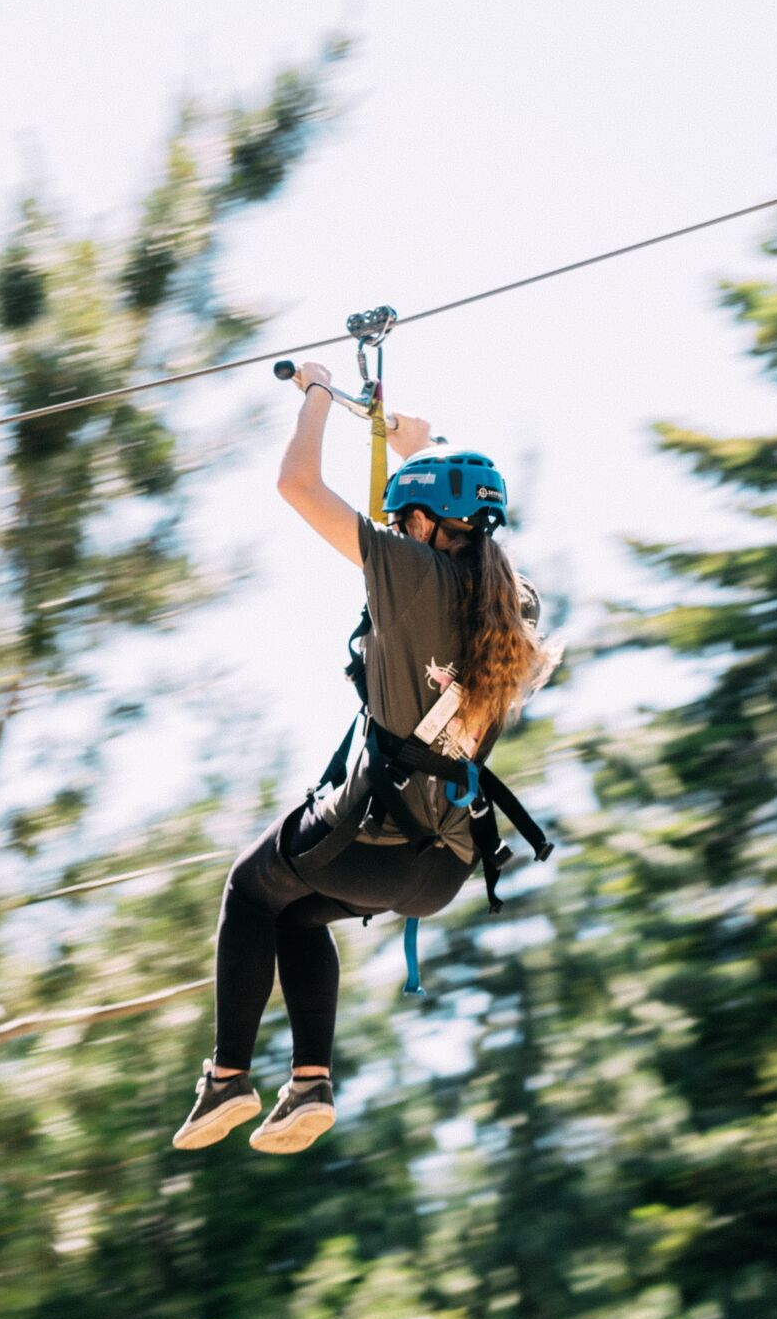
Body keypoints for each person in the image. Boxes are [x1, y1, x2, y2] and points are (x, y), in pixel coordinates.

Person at [173, 360, 559, 1155]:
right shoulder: (512, 610)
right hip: (441, 868)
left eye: (404, 517)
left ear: (421, 524)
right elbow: (470, 540)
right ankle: (309, 1083)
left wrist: (317, 392)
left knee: (249, 887)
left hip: (366, 836)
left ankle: (228, 1077)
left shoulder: (408, 569)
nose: (399, 529)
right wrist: (420, 447)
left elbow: (297, 484)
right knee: (293, 911)